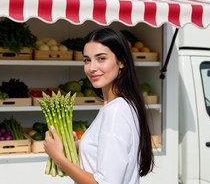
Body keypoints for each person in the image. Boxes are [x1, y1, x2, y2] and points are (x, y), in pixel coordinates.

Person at [44, 28, 154, 184]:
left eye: (101, 58)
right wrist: (77, 146)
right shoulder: (115, 106)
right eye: (87, 60)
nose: (92, 67)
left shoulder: (116, 112)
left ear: (121, 61)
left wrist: (59, 158)